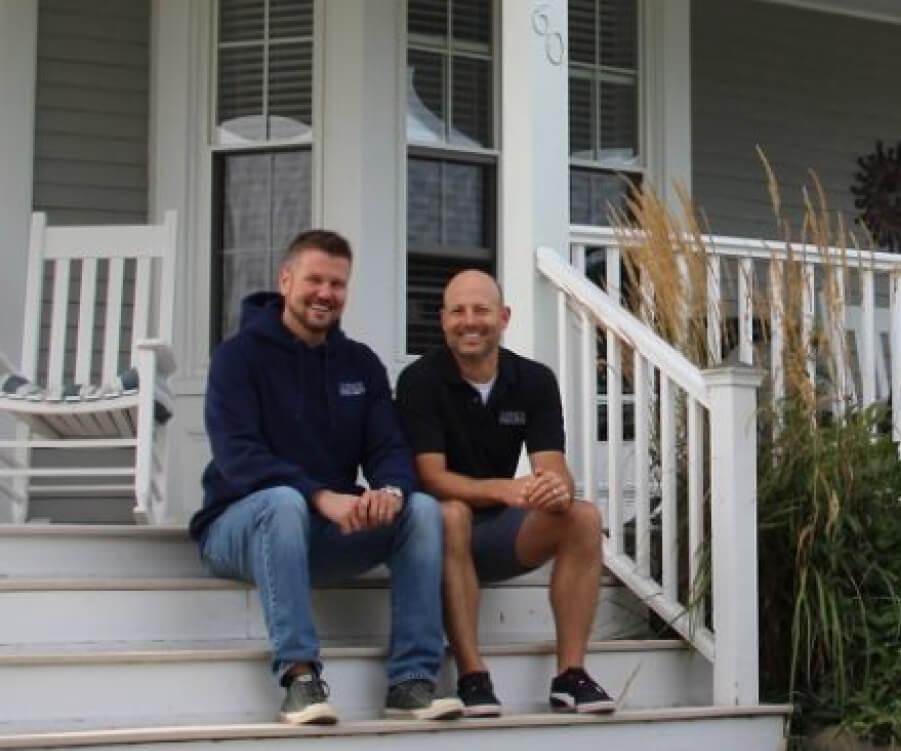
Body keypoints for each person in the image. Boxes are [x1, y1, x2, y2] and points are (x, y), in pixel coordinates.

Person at [189, 230, 463, 725]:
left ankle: (411, 681)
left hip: (322, 532)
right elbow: (238, 458)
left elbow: (389, 448)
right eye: (314, 279)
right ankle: (299, 678)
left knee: (421, 509)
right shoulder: (238, 357)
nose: (325, 293)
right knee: (281, 502)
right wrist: (320, 496)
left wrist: (390, 491)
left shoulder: (360, 364)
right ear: (286, 279)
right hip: (237, 528)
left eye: (337, 284)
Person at [395, 269, 616, 717]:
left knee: (583, 517)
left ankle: (570, 676)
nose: (469, 321)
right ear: (443, 320)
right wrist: (505, 489)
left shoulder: (533, 379)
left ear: (504, 317)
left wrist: (555, 489)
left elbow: (553, 468)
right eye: (458, 311)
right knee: (451, 511)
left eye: (481, 310)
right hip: (436, 535)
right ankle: (473, 675)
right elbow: (430, 478)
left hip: (497, 533)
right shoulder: (420, 380)